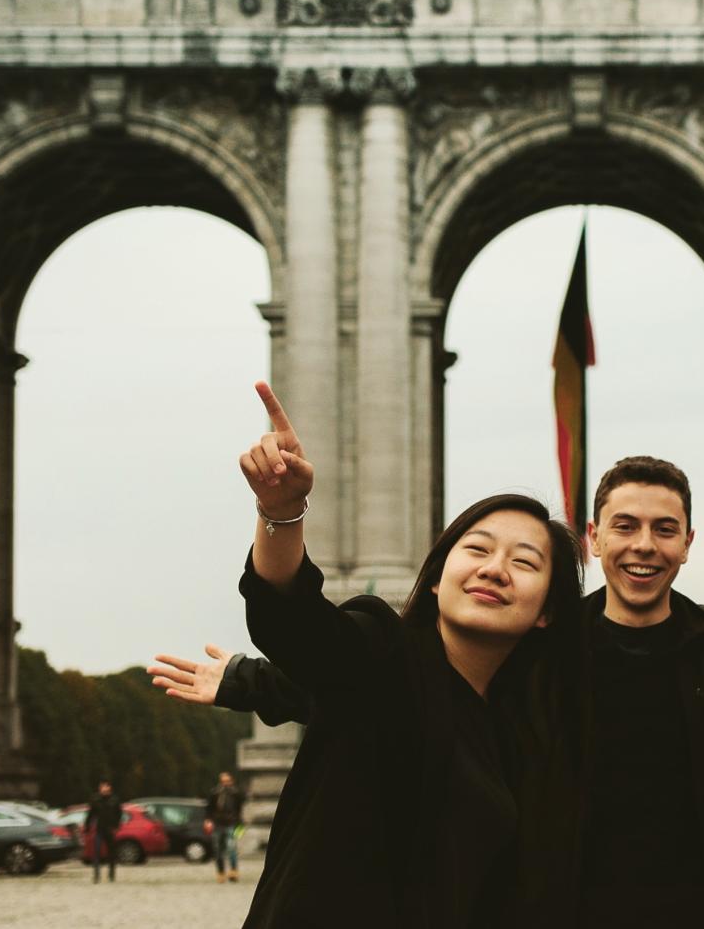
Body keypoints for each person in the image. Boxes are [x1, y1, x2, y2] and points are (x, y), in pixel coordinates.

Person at [158, 433, 704, 929]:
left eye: (665, 529)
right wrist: (245, 674)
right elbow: (375, 681)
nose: (645, 544)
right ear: (596, 543)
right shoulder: (540, 652)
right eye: (625, 527)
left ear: (688, 544)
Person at [228, 381, 587, 929]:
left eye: (525, 562)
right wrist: (282, 511)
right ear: (439, 578)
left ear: (547, 612)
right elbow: (296, 623)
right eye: (478, 548)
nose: (494, 568)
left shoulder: (527, 734)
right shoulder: (379, 650)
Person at [206, 770, 244, 883]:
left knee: (231, 847)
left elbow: (239, 810)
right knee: (217, 850)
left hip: (231, 823)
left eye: (227, 781)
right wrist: (208, 821)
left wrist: (239, 824)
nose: (225, 784)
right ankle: (221, 872)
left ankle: (233, 871)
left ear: (231, 781)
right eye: (223, 781)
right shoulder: (214, 793)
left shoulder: (236, 794)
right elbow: (209, 808)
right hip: (217, 823)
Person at [85, 780, 121, 883]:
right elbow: (91, 814)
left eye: (104, 787)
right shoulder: (96, 800)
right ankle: (96, 875)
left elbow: (119, 814)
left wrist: (116, 826)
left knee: (111, 853)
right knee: (96, 852)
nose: (102, 789)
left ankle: (111, 875)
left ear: (109, 787)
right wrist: (87, 826)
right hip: (99, 829)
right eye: (101, 787)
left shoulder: (114, 800)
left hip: (110, 829)